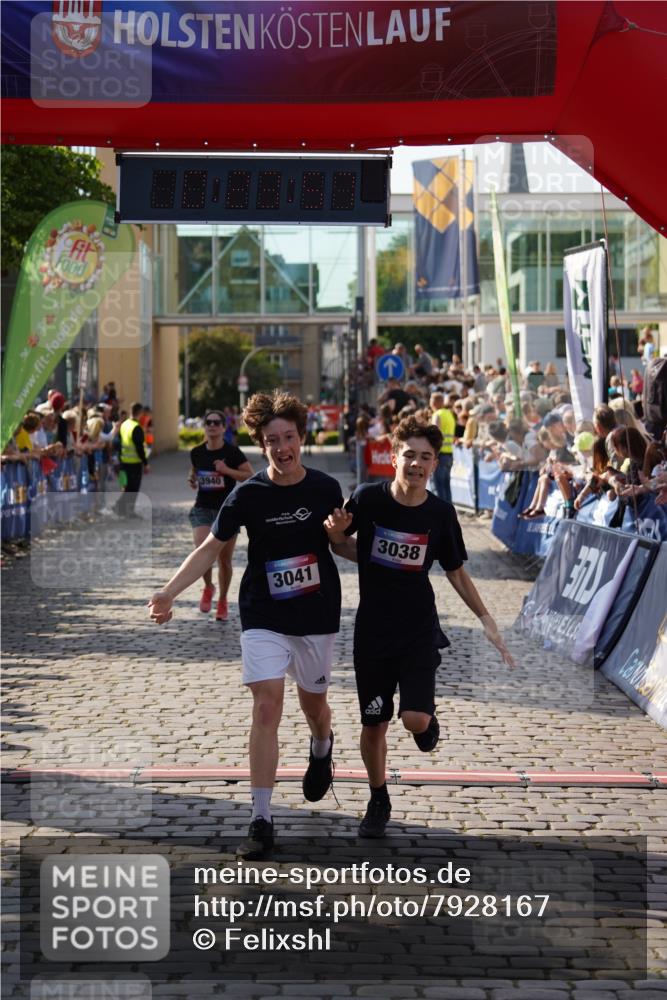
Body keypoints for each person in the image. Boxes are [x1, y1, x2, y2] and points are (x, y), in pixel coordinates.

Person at [148, 391, 343, 860]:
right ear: (260, 444)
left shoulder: (324, 488)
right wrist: (169, 591)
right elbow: (211, 548)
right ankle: (261, 818)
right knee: (266, 706)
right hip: (263, 612)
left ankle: (322, 744)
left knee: (314, 705)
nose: (282, 448)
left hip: (316, 614)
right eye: (272, 440)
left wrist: (351, 541)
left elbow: (344, 547)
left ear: (301, 438)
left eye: (290, 438)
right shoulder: (248, 493)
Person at [324, 415, 514, 838]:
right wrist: (335, 534)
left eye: (425, 457)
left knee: (412, 719)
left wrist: (487, 620)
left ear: (435, 466)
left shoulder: (440, 514)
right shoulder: (368, 499)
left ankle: (427, 721)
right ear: (393, 457)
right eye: (409, 454)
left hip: (417, 630)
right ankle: (378, 798)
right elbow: (345, 543)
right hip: (372, 632)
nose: (416, 463)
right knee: (373, 724)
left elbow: (457, 571)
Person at [187, 409, 253, 621]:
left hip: (227, 510)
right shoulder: (196, 452)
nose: (212, 425)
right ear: (205, 426)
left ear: (224, 428)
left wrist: (227, 471)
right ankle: (208, 587)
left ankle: (223, 600)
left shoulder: (233, 453)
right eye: (209, 422)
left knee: (224, 560)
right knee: (201, 550)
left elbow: (249, 476)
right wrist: (193, 480)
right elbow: (194, 472)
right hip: (203, 508)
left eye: (217, 422)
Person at [116, 402, 149, 518]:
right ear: (139, 413)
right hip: (134, 463)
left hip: (124, 462)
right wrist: (145, 463)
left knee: (126, 487)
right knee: (133, 488)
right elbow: (139, 448)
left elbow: (120, 443)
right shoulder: (136, 427)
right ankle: (126, 510)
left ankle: (122, 509)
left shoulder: (124, 424)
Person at [429, 392, 456, 503]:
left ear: (434, 402)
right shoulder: (449, 414)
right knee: (446, 485)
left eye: (431, 400)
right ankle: (448, 513)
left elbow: (435, 435)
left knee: (438, 485)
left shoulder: (437, 415)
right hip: (449, 453)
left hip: (440, 454)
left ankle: (440, 514)